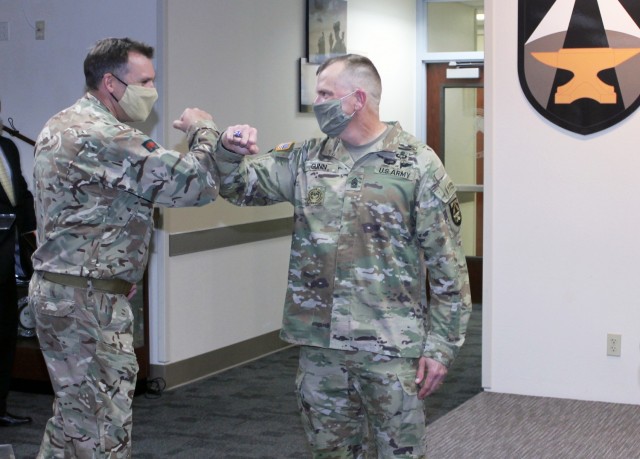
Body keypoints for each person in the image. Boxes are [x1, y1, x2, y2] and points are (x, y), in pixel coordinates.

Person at [216, 54, 472, 458]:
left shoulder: (418, 165)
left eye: (324, 93)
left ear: (356, 99)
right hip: (320, 349)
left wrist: (440, 348)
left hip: (390, 350)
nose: (316, 103)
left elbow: (448, 269)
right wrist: (228, 150)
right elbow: (240, 186)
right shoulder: (305, 159)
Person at [29, 37, 252, 458]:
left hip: (63, 292)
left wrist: (116, 270)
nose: (152, 90)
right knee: (101, 428)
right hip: (87, 304)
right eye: (144, 81)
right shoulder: (107, 135)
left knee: (73, 419)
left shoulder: (61, 123)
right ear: (111, 83)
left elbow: (93, 211)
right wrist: (205, 130)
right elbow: (194, 185)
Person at [0, 99, 36, 428]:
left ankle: (0, 407)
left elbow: (21, 193)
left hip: (10, 259)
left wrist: (32, 231)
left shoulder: (7, 147)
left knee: (6, 333)